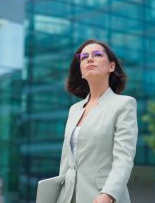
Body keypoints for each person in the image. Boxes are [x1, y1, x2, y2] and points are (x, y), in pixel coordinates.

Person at [57, 39, 138, 203]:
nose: (89, 59)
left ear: (111, 66)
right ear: (81, 69)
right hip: (68, 197)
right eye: (84, 56)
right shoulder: (74, 110)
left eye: (97, 55)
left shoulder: (124, 104)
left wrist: (108, 194)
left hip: (102, 197)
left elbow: (124, 158)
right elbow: (66, 163)